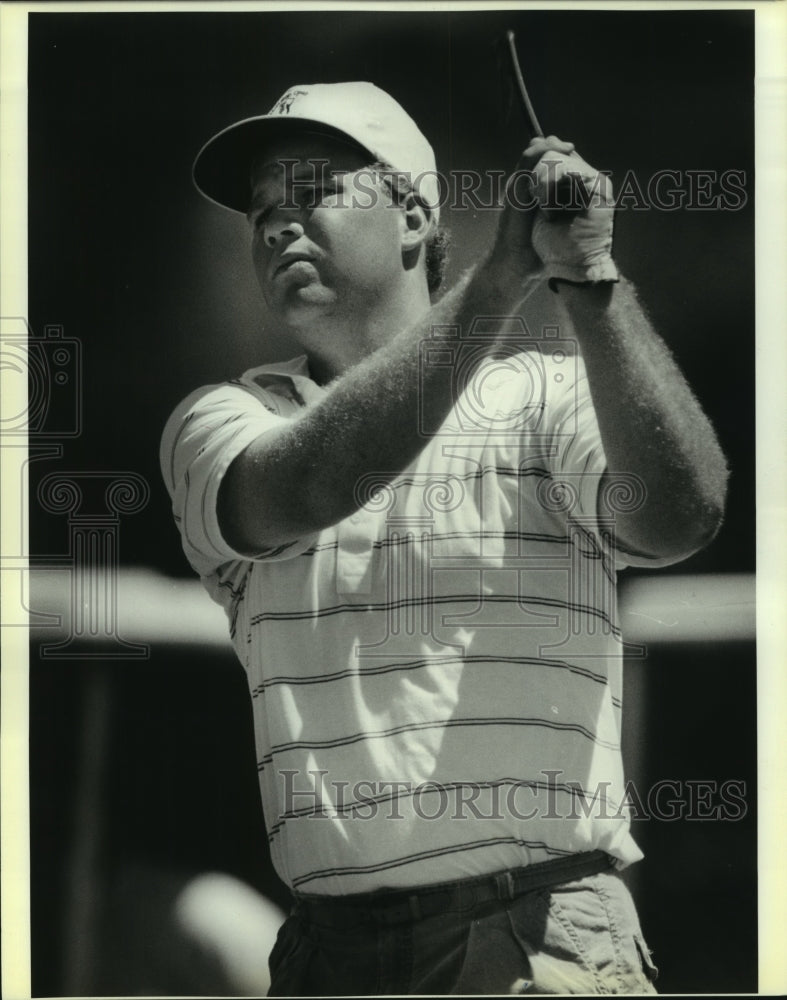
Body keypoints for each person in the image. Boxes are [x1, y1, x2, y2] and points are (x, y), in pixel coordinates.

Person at [160, 81, 728, 995]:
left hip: (541, 933)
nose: (275, 225)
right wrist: (505, 276)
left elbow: (679, 518)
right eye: (263, 209)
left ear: (416, 214)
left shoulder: (545, 396)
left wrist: (589, 286)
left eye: (311, 191)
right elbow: (310, 483)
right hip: (327, 954)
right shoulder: (225, 421)